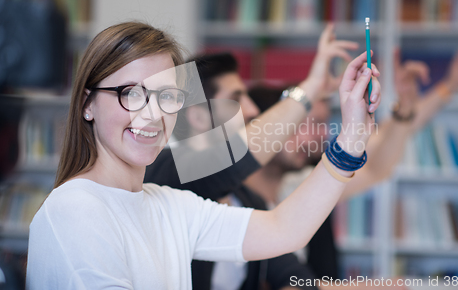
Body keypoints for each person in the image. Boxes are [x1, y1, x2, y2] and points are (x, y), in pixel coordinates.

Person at [26, 21, 381, 289]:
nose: (152, 114)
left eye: (166, 96)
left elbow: (284, 228)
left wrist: (352, 135)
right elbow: (242, 150)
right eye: (131, 93)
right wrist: (309, 90)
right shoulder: (77, 208)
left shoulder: (170, 205)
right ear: (87, 103)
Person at [243, 42, 458, 282]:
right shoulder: (230, 204)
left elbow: (376, 164)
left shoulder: (294, 185)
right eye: (307, 123)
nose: (318, 135)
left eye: (322, 124)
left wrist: (425, 100)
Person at [144, 25, 357, 289]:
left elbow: (294, 277)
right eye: (236, 98)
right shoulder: (168, 171)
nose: (252, 109)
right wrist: (311, 87)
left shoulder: (247, 199)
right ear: (198, 116)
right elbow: (235, 156)